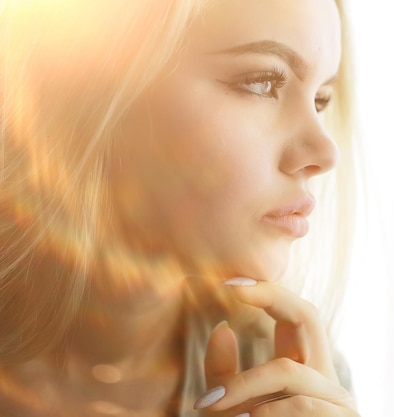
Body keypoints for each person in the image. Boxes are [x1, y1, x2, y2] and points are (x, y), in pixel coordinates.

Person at [0, 0, 360, 416]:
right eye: (261, 82)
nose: (324, 152)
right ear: (94, 95)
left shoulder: (298, 385)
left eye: (321, 100)